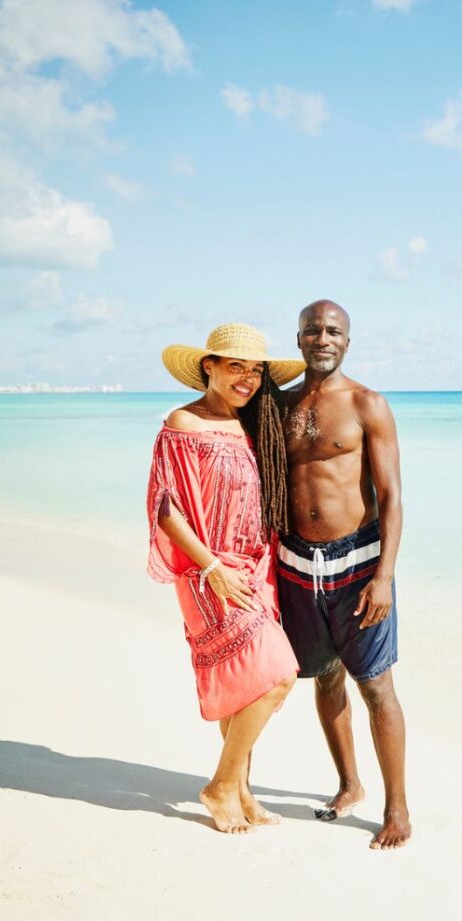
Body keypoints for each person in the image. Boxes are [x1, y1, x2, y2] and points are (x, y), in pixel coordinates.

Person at [147, 322, 306, 834]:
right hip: (206, 569)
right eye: (235, 366)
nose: (247, 378)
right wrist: (212, 569)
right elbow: (166, 507)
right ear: (208, 367)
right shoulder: (183, 423)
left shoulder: (251, 423)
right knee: (279, 676)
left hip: (255, 565)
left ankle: (239, 791)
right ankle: (220, 786)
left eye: (255, 370)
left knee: (244, 682)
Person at [277, 299, 411, 850]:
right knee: (325, 676)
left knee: (376, 686)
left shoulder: (367, 404)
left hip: (357, 566)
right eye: (313, 330)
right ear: (299, 339)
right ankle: (349, 785)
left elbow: (392, 497)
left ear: (347, 342)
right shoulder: (277, 407)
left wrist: (384, 576)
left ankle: (397, 809)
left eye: (333, 331)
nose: (322, 338)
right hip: (294, 563)